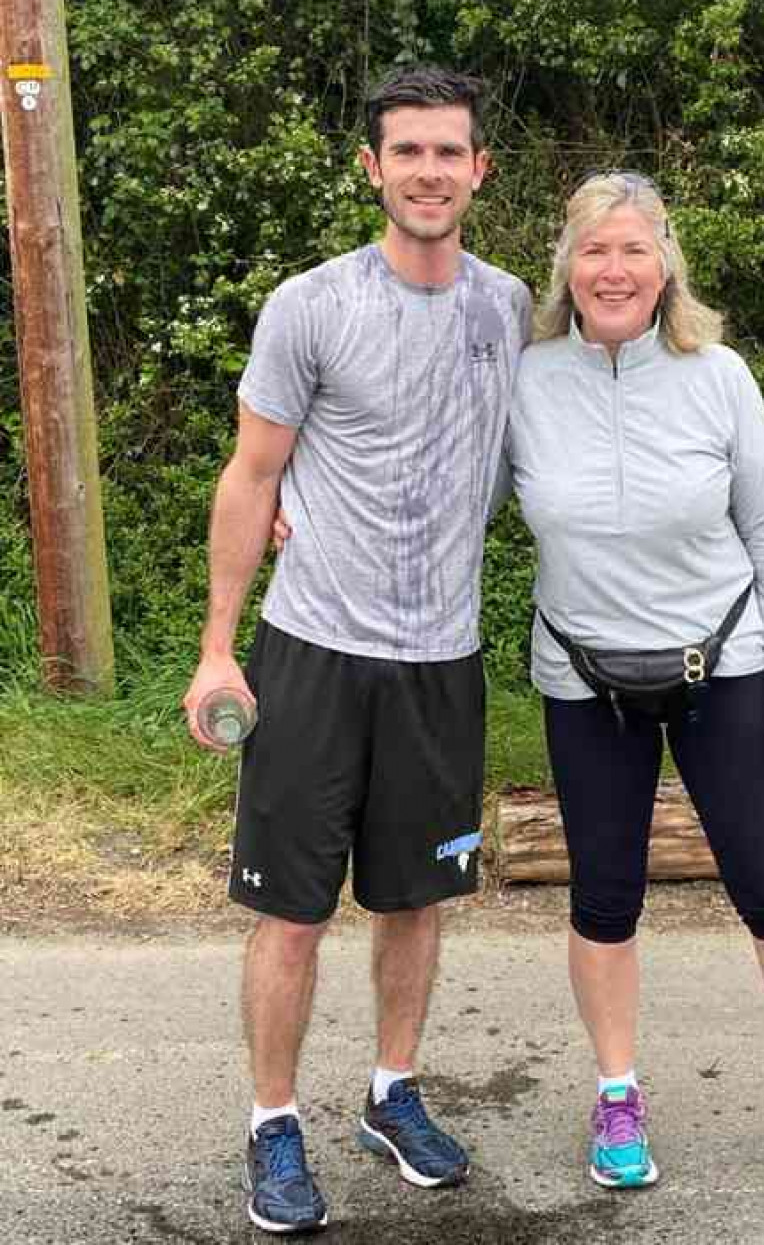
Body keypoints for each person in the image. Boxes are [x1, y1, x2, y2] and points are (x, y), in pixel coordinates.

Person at [183, 66, 533, 1234]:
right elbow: (252, 474)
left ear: (479, 168)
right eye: (408, 152)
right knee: (291, 911)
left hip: (442, 661)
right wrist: (217, 650)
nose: (429, 171)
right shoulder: (309, 305)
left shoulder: (507, 306)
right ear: (371, 167)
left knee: (415, 897)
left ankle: (392, 1092)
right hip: (314, 651)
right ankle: (273, 1122)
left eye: (450, 152)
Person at [500, 172, 764, 1199]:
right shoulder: (526, 378)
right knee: (604, 898)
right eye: (591, 250)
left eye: (631, 250)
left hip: (726, 669)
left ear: (665, 265)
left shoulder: (719, 375)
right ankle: (616, 1090)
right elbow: (450, 497)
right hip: (582, 679)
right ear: (564, 268)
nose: (611, 270)